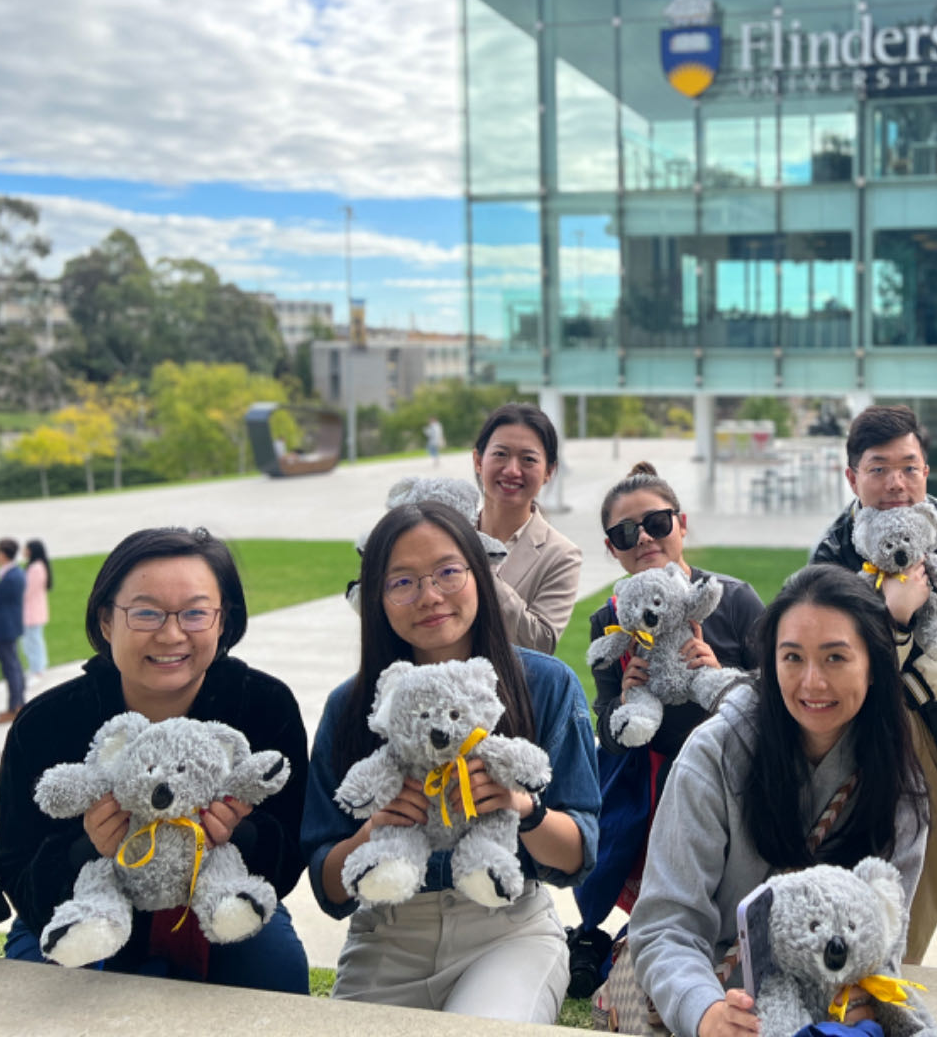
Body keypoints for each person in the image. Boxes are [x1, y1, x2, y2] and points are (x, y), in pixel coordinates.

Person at [302, 499, 598, 1022]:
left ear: (480, 574)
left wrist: (520, 807)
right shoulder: (352, 706)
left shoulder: (546, 685)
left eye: (447, 572)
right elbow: (328, 887)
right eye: (402, 582)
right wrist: (372, 832)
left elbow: (578, 856)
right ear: (377, 598)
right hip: (387, 935)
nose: (430, 596)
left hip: (508, 931)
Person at [0, 527, 310, 991]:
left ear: (223, 621)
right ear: (106, 621)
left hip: (218, 904)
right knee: (52, 995)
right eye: (146, 613)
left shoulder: (261, 705)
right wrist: (87, 847)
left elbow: (290, 855)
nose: (171, 634)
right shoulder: (48, 721)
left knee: (276, 975)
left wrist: (237, 833)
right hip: (82, 908)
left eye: (195, 613)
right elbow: (14, 867)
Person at [629, 564, 929, 1037]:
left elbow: (883, 937)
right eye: (792, 658)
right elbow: (666, 925)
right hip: (719, 997)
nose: (812, 682)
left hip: (835, 1010)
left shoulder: (898, 780)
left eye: (835, 658)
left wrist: (859, 1005)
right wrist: (707, 1013)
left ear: (873, 666)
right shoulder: (715, 753)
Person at [564, 461, 768, 995]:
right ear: (611, 548)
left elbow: (782, 694)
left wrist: (724, 676)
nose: (643, 539)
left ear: (682, 523)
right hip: (652, 779)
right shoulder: (610, 619)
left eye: (656, 523)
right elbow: (607, 728)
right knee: (667, 894)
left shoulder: (732, 599)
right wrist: (624, 698)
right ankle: (627, 948)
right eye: (625, 533)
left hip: (730, 774)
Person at [809, 403, 937, 962]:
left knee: (931, 845)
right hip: (859, 730)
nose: (897, 483)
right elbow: (829, 660)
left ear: (926, 471)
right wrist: (891, 618)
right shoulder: (835, 551)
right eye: (879, 468)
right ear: (852, 477)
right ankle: (860, 966)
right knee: (859, 846)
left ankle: (901, 969)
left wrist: (914, 688)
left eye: (909, 467)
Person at [471, 403, 582, 652]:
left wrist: (477, 565)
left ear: (549, 471)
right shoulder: (447, 534)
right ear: (478, 460)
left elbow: (541, 642)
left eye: (528, 459)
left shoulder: (561, 555)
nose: (512, 470)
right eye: (500, 454)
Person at [0, 537, 26, 724]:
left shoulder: (10, 577)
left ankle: (15, 706)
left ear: (2, 554)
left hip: (4, 627)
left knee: (11, 667)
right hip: (9, 626)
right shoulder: (15, 573)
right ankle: (17, 704)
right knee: (13, 665)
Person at [22, 538, 53, 681]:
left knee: (33, 641)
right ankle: (36, 667)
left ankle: (38, 669)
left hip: (32, 611)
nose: (24, 551)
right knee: (31, 641)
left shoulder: (36, 568)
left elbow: (27, 591)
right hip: (33, 610)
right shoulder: (37, 566)